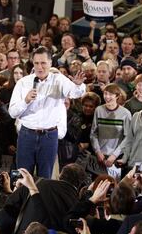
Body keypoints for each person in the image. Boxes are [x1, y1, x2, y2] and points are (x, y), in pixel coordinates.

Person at [8, 46, 86, 178]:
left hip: (49, 136)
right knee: (22, 177)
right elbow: (12, 112)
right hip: (27, 135)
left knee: (45, 178)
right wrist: (25, 100)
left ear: (50, 63)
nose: (40, 67)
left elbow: (74, 93)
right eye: (36, 63)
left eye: (43, 63)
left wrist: (78, 85)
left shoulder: (59, 80)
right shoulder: (23, 82)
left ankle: (41, 199)